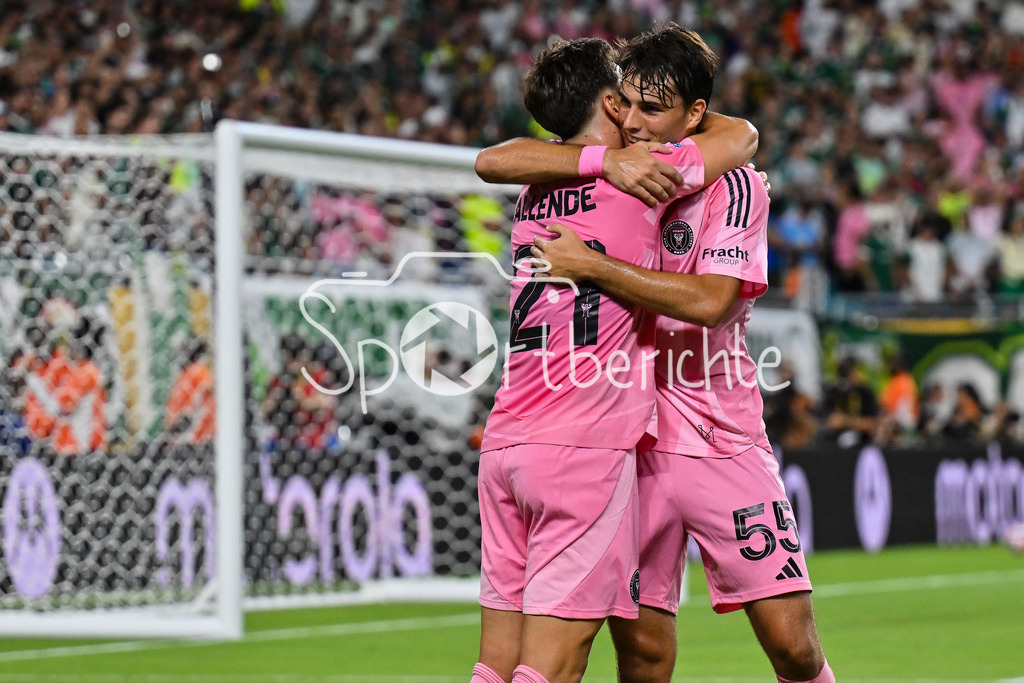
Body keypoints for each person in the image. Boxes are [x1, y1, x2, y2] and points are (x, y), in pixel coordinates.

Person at [477, 24, 833, 683]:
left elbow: (710, 302)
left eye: (652, 108)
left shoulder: (730, 184)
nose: (634, 123)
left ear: (695, 115)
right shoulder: (618, 171)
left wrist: (592, 264)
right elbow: (501, 159)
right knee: (642, 655)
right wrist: (604, 161)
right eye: (627, 104)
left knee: (793, 647)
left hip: (719, 435)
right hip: (626, 444)